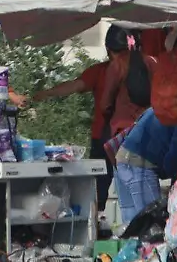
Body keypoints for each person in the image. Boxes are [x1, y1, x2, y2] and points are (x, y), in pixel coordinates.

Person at [33, 26, 155, 210]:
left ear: (108, 49)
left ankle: (97, 226)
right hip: (141, 136)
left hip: (107, 137)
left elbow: (80, 89)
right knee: (137, 187)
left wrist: (46, 93)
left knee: (98, 189)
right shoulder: (151, 64)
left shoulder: (108, 69)